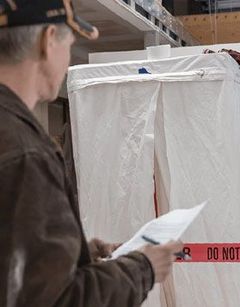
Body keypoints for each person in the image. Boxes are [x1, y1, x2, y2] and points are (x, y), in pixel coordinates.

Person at [0, 1, 182, 306]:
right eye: (70, 43)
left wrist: (74, 254)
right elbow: (62, 300)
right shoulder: (26, 152)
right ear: (47, 41)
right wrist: (143, 268)